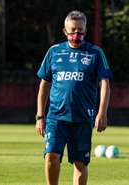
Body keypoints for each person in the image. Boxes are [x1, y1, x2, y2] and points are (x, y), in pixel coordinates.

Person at [35, 10, 113, 185]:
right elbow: (44, 84)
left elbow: (105, 83)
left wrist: (102, 113)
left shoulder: (95, 53)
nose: (76, 34)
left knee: (79, 163)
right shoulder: (54, 52)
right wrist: (40, 115)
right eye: (73, 30)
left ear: (85, 30)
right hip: (56, 117)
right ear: (64, 31)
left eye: (80, 30)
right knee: (51, 157)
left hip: (83, 118)